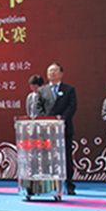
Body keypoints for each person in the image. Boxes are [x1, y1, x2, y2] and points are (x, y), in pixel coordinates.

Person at [37, 63, 78, 194]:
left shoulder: (69, 89)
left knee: (66, 157)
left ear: (61, 74)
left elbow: (72, 107)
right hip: (47, 130)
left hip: (64, 128)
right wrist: (47, 121)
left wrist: (61, 120)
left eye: (55, 71)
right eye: (50, 71)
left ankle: (69, 185)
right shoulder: (42, 90)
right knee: (47, 158)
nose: (52, 73)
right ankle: (48, 185)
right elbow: (39, 108)